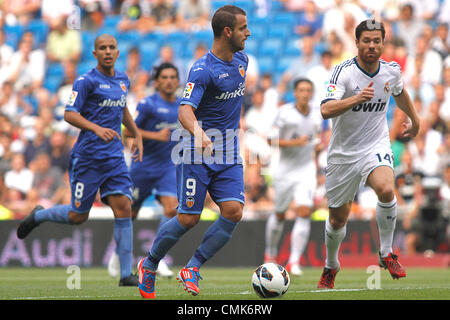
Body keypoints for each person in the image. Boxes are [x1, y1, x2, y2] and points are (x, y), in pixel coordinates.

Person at [137, 5, 250, 299]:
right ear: (228, 32)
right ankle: (149, 265)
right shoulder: (202, 70)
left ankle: (193, 267)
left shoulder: (243, 60)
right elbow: (185, 109)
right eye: (242, 29)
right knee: (188, 218)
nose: (248, 33)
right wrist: (199, 134)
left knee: (234, 211)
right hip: (195, 151)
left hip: (227, 152)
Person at [16, 34, 144, 287]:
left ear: (117, 53)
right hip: (87, 158)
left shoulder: (122, 79)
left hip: (114, 157)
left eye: (111, 48)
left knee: (124, 208)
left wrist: (136, 133)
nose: (107, 51)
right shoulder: (86, 81)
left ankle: (125, 274)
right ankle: (40, 216)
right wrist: (96, 129)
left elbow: (122, 108)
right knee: (78, 216)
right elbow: (69, 114)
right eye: (102, 48)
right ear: (95, 54)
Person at [318, 19, 420, 289]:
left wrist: (415, 118)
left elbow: (399, 93)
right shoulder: (343, 72)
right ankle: (331, 265)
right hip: (342, 154)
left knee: (387, 189)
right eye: (367, 41)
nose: (372, 46)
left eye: (377, 41)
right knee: (337, 219)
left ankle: (386, 252)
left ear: (383, 43)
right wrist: (356, 99)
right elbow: (326, 110)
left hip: (375, 145)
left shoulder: (391, 71)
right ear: (358, 43)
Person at [108, 62, 181, 279]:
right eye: (164, 77)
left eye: (172, 77)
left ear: (178, 81)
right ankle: (117, 255)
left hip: (168, 167)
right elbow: (127, 132)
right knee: (130, 214)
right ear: (157, 82)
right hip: (143, 166)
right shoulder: (148, 104)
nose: (169, 81)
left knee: (172, 209)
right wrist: (154, 136)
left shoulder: (182, 107)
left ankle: (156, 259)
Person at [265, 78, 320, 276]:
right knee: (279, 214)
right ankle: (270, 254)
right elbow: (270, 139)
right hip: (285, 171)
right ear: (295, 93)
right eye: (301, 90)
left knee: (304, 211)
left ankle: (294, 261)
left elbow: (319, 138)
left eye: (308, 90)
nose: (305, 93)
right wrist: (295, 142)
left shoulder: (317, 114)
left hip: (306, 171)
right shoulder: (284, 113)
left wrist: (319, 148)